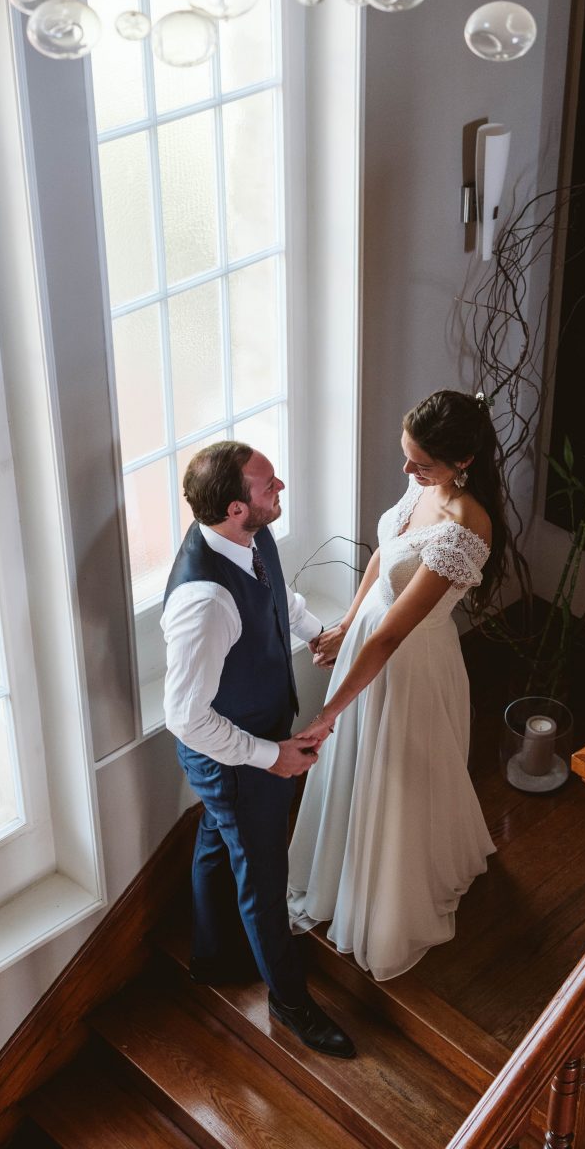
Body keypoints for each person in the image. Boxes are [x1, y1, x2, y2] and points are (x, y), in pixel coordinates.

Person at [288, 389, 505, 981]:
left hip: (407, 665)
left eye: (422, 464)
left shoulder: (467, 528)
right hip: (371, 641)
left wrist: (328, 712)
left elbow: (392, 639)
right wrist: (345, 623)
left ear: (462, 462)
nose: (408, 471)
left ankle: (392, 894)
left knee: (401, 775)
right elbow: (386, 554)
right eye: (406, 457)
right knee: (360, 768)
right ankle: (340, 874)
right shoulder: (423, 481)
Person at [162, 441, 355, 1058]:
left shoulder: (249, 538)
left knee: (219, 843)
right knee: (264, 876)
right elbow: (185, 718)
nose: (281, 491)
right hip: (234, 757)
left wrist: (315, 633)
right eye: (268, 486)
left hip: (252, 736)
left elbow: (280, 599)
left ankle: (214, 957)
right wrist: (270, 756)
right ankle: (289, 1001)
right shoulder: (204, 602)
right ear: (234, 508)